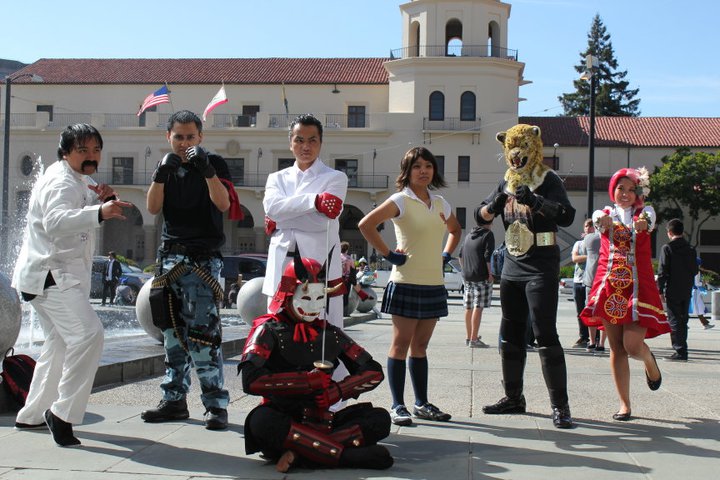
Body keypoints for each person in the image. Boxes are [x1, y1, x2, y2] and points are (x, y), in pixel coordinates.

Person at [12, 123, 131, 447]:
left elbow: (91, 204)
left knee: (59, 344)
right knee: (89, 334)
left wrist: (108, 199)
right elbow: (55, 221)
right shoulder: (60, 181)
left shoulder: (79, 177)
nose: (91, 157)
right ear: (66, 153)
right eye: (83, 151)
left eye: (95, 150)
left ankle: (32, 413)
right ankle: (61, 414)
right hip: (50, 275)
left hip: (56, 275)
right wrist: (99, 212)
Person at [238, 253, 393, 473]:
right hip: (283, 417)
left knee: (380, 419)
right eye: (307, 297)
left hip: (323, 420)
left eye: (320, 298)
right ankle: (345, 456)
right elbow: (251, 381)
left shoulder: (329, 332)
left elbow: (373, 372)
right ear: (289, 295)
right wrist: (306, 381)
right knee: (261, 421)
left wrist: (337, 390)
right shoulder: (268, 330)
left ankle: (302, 453)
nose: (313, 306)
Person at [142, 110, 237, 430]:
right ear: (168, 137)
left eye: (190, 137)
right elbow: (153, 208)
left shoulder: (215, 164)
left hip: (203, 259)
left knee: (203, 336)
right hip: (170, 258)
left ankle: (215, 404)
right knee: (171, 334)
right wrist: (159, 175)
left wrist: (207, 170)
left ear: (201, 137)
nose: (184, 143)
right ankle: (174, 400)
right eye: (178, 137)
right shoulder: (165, 167)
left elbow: (223, 204)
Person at [477, 124, 575, 429]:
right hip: (512, 265)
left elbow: (568, 215)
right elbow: (480, 215)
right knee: (510, 333)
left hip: (541, 266)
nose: (515, 154)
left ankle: (560, 406)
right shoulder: (506, 180)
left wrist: (535, 201)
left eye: (521, 147)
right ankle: (513, 398)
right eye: (511, 148)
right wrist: (492, 205)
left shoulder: (547, 179)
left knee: (545, 334)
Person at [358, 146, 462, 426]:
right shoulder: (400, 200)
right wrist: (389, 255)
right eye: (417, 166)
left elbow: (456, 230)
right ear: (407, 171)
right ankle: (397, 405)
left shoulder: (441, 203)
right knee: (400, 344)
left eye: (428, 166)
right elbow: (366, 225)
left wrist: (445, 256)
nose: (423, 171)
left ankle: (421, 403)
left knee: (421, 346)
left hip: (433, 284)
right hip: (405, 282)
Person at [581, 167, 669, 422]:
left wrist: (644, 224)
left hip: (637, 286)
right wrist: (601, 222)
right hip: (610, 286)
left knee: (632, 346)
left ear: (638, 193)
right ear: (613, 190)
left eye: (631, 189)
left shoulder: (646, 213)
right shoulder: (605, 213)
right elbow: (598, 218)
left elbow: (649, 222)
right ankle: (624, 404)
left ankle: (649, 360)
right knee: (616, 348)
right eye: (621, 188)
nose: (626, 194)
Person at [656, 218, 699, 361]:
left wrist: (660, 290)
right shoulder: (691, 249)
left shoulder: (667, 248)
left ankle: (679, 350)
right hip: (686, 288)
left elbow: (663, 271)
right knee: (683, 319)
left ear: (669, 232)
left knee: (674, 320)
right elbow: (694, 270)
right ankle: (683, 348)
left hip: (673, 288)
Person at [459, 207, 495, 348]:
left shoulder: (468, 235)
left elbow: (460, 256)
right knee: (478, 307)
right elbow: (487, 257)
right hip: (481, 276)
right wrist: (490, 274)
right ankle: (474, 339)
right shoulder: (488, 235)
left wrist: (464, 270)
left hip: (467, 276)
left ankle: (469, 337)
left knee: (468, 307)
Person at [582, 225, 607, 352]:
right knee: (605, 312)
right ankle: (601, 343)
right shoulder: (608, 238)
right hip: (604, 278)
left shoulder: (589, 238)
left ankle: (591, 341)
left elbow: (583, 251)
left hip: (590, 279)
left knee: (590, 310)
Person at [570, 220, 592, 348]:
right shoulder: (578, 243)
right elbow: (575, 258)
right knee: (580, 311)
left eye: (591, 226)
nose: (588, 228)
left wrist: (584, 256)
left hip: (592, 281)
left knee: (592, 310)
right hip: (578, 280)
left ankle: (595, 337)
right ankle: (583, 336)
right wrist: (590, 256)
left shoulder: (598, 243)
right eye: (586, 226)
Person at [691, 258, 714, 329]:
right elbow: (697, 283)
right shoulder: (697, 271)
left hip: (695, 291)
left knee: (698, 307)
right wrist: (704, 282)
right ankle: (705, 324)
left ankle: (705, 323)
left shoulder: (692, 270)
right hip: (695, 291)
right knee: (698, 308)